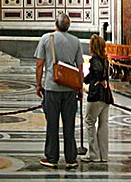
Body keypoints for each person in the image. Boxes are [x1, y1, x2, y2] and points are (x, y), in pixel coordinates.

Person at [35, 12, 83, 169]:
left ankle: (52, 157)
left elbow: (40, 65)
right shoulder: (76, 41)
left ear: (56, 23)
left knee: (52, 124)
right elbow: (80, 67)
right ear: (68, 26)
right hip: (70, 88)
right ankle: (71, 158)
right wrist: (79, 87)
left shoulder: (46, 39)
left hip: (51, 87)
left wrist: (38, 84)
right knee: (69, 124)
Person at [81, 34, 111, 164]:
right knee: (103, 123)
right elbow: (91, 75)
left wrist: (98, 81)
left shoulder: (95, 60)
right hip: (106, 95)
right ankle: (103, 155)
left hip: (97, 95)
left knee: (89, 121)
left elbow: (97, 73)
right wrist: (83, 79)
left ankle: (93, 153)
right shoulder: (105, 59)